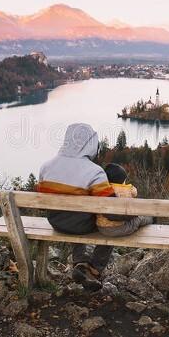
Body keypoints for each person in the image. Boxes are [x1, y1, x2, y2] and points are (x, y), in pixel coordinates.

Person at [37, 123, 131, 291]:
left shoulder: (46, 166)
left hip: (56, 222)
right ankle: (95, 270)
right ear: (91, 144)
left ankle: (80, 262)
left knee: (75, 215)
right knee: (107, 225)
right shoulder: (95, 172)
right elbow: (111, 212)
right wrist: (133, 217)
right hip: (82, 226)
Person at [96, 163, 153, 236]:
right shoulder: (128, 190)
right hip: (120, 228)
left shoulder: (102, 190)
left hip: (101, 228)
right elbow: (134, 193)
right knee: (140, 219)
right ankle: (152, 220)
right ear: (123, 181)